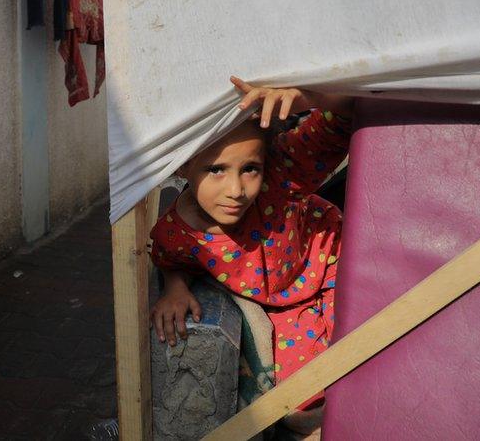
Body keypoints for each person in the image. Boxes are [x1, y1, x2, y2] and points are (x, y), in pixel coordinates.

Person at [149, 76, 353, 423]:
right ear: (182, 166)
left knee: (363, 353)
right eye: (215, 170)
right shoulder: (177, 231)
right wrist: (175, 286)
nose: (236, 190)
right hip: (286, 304)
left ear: (267, 163)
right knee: (304, 397)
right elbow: (170, 257)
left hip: (338, 265)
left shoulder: (282, 174)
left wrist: (311, 96)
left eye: (250, 169)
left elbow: (346, 113)